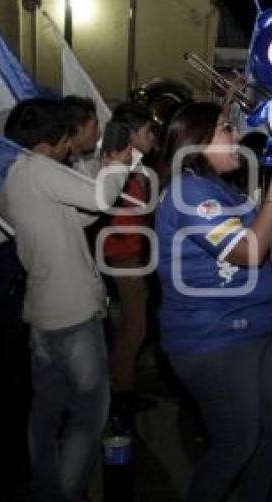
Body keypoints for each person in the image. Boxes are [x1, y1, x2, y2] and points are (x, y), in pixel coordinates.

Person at [154, 102, 272, 501]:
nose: (236, 137)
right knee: (236, 442)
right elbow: (249, 251)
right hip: (213, 338)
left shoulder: (218, 186)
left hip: (252, 329)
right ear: (196, 142)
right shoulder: (190, 192)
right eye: (225, 130)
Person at [0, 98, 133, 502]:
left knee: (46, 412)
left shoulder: (13, 174)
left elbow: (76, 216)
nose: (72, 143)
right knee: (89, 413)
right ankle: (64, 494)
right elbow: (103, 201)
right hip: (73, 315)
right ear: (50, 137)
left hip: (41, 316)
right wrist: (118, 165)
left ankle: (46, 488)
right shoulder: (39, 169)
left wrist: (102, 174)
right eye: (67, 136)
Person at [100, 102, 158, 425]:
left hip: (129, 253)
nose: (153, 137)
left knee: (131, 326)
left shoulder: (130, 164)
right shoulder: (118, 166)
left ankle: (123, 387)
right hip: (124, 255)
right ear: (133, 134)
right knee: (133, 328)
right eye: (148, 131)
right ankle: (120, 396)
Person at [64, 95, 101, 177]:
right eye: (94, 127)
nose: (99, 132)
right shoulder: (61, 167)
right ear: (79, 128)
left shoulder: (80, 160)